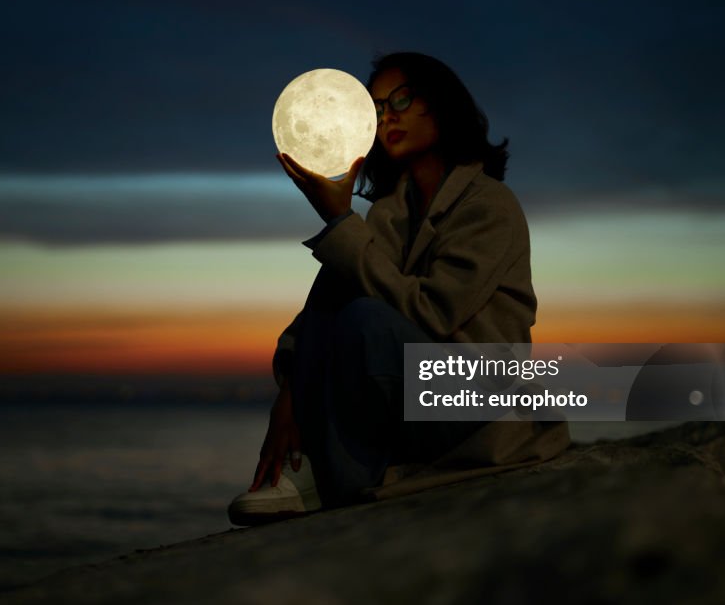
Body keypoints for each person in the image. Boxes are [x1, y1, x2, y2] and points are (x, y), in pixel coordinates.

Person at [228, 52, 569, 525]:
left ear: (442, 105)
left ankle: (330, 482)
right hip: (413, 397)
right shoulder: (390, 213)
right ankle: (308, 473)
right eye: (376, 106)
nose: (386, 116)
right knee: (340, 297)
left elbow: (433, 312)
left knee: (365, 316)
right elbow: (326, 303)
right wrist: (289, 397)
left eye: (401, 100)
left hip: (477, 397)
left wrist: (340, 220)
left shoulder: (489, 205)